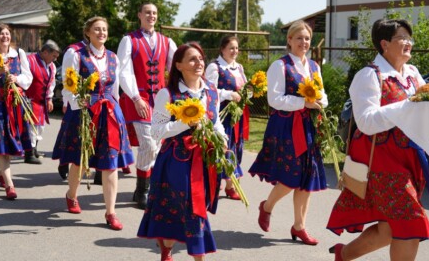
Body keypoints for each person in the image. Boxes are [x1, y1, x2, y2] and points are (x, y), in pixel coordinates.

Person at [326, 19, 429, 261]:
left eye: (409, 38)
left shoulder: (413, 74)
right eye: (402, 38)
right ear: (384, 44)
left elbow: (424, 109)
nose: (408, 43)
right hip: (382, 162)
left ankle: (344, 254)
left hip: (410, 158)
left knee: (389, 229)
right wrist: (406, 108)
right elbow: (366, 122)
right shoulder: (369, 75)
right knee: (409, 222)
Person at [137, 42, 225, 261]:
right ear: (178, 65)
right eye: (192, 59)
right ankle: (169, 248)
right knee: (180, 209)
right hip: (175, 162)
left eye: (201, 58)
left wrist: (222, 140)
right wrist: (186, 123)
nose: (199, 63)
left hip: (204, 159)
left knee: (195, 209)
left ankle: (170, 248)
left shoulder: (211, 91)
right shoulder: (167, 94)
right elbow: (156, 132)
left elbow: (217, 123)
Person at [248, 20, 328, 245]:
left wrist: (319, 101)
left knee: (306, 177)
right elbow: (275, 100)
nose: (304, 42)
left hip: (309, 126)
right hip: (286, 127)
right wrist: (305, 102)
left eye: (307, 39)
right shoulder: (280, 66)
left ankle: (299, 226)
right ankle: (267, 206)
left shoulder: (314, 66)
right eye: (299, 38)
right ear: (289, 40)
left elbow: (324, 96)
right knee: (291, 176)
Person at [52, 16, 134, 230]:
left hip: (109, 114)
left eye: (104, 29)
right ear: (87, 32)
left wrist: (117, 111)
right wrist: (81, 105)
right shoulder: (75, 54)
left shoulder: (113, 57)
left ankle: (111, 212)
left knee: (111, 163)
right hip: (84, 113)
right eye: (96, 29)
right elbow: (69, 87)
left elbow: (114, 89)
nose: (101, 33)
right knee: (80, 161)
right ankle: (71, 195)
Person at [117, 2, 177, 209]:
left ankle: (148, 187)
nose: (151, 16)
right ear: (139, 15)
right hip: (138, 99)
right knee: (149, 145)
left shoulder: (167, 42)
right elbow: (124, 71)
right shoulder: (129, 40)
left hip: (160, 101)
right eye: (147, 13)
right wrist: (135, 97)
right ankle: (142, 190)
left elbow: (175, 68)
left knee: (158, 145)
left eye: (154, 13)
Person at [0, 23, 33, 199]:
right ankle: (10, 185)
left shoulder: (19, 55)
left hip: (15, 103)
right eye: (1, 34)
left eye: (7, 34)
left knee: (12, 145)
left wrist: (16, 78)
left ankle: (3, 173)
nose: (5, 37)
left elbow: (28, 78)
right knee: (2, 146)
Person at [204, 35, 247, 200]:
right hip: (221, 113)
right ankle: (216, 183)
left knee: (236, 146)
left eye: (236, 48)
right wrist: (229, 94)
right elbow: (209, 91)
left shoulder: (239, 67)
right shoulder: (215, 68)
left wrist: (247, 93)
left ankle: (230, 186)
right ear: (222, 49)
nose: (234, 51)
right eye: (231, 48)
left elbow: (243, 86)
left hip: (236, 114)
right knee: (223, 147)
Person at [24, 40, 60, 165]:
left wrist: (49, 98)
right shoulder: (29, 61)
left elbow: (51, 83)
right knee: (31, 128)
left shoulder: (51, 66)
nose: (55, 59)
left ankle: (34, 150)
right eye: (53, 56)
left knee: (40, 127)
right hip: (29, 99)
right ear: (45, 52)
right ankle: (28, 154)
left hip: (41, 101)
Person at [56, 40, 87, 180]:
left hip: (95, 102)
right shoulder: (73, 51)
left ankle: (99, 171)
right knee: (70, 135)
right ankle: (64, 161)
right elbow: (67, 79)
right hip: (76, 100)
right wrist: (66, 100)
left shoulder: (102, 52)